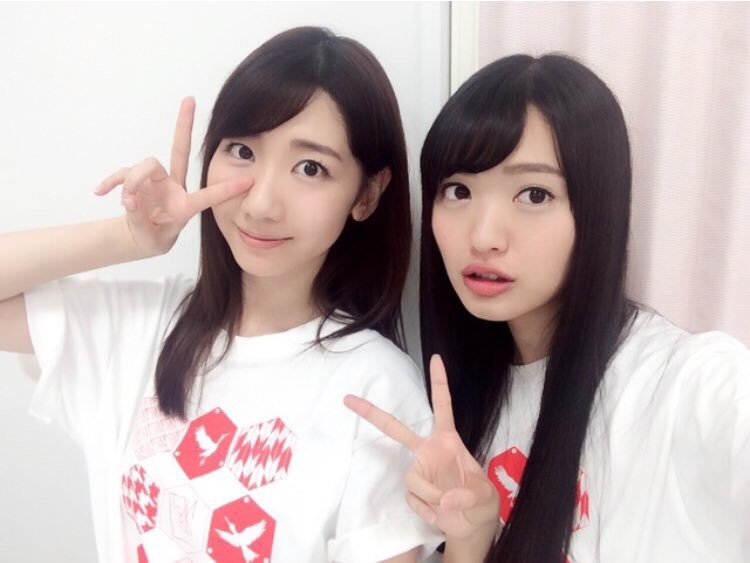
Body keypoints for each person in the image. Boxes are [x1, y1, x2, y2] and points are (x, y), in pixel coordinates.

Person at [0, 27, 442, 562]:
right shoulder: (141, 325)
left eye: (310, 168)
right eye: (242, 151)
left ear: (366, 194)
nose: (261, 204)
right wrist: (131, 240)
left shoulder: (377, 389)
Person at [345, 53, 750, 562]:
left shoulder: (690, 383)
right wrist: (470, 540)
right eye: (458, 191)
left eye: (534, 194)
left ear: (597, 209)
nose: (484, 236)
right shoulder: (460, 407)